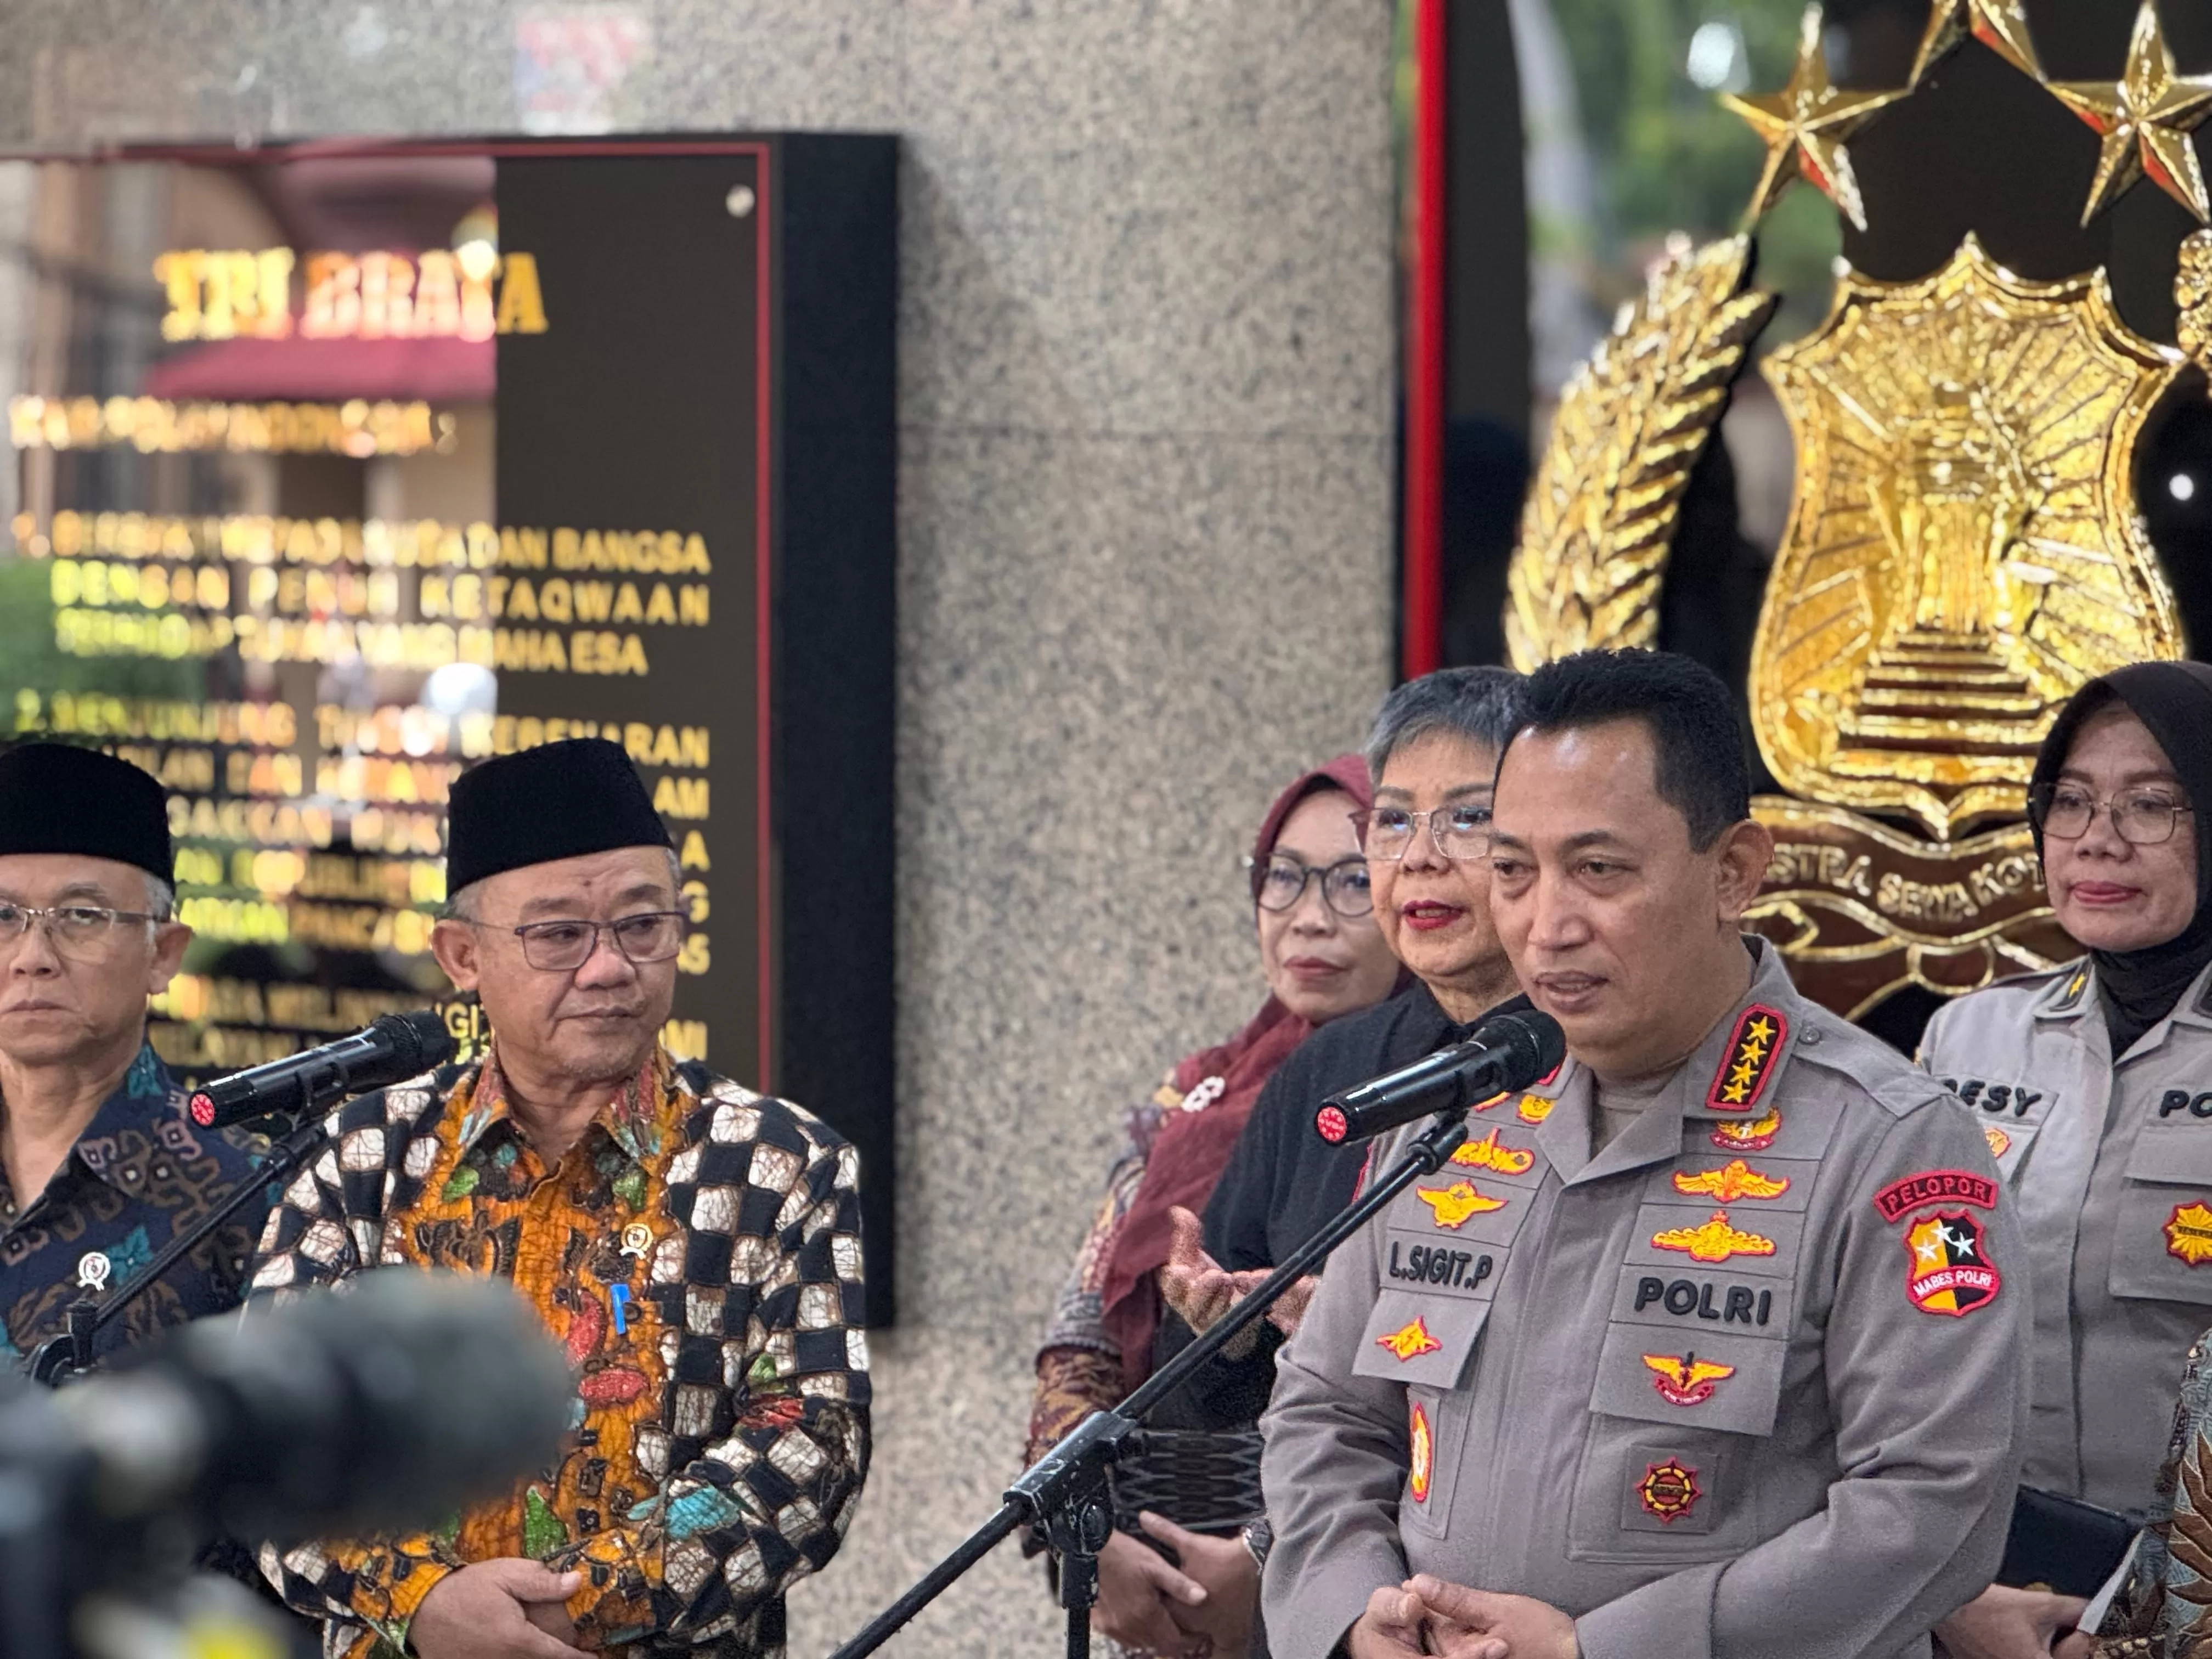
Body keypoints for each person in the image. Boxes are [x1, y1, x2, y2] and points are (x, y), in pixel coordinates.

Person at [1262, 647, 2029, 1659]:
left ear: (1733, 872)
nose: (1546, 923)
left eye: (1598, 869)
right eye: (1512, 871)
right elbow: (1327, 1409)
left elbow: (1934, 1501)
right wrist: (1355, 1611)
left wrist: (1607, 1646)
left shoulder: (1886, 1140)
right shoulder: (1457, 1114)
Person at [252, 738, 867, 1659]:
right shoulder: (364, 1156)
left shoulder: (778, 1164)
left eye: (641, 924)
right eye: (558, 934)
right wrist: (423, 1601)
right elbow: (270, 1432)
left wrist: (568, 1603)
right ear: (461, 954)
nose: (610, 966)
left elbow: (809, 1445)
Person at [1146, 667, 1547, 1649]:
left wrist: (1378, 1325)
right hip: (1343, 1599)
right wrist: (1225, 1326)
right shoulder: (1331, 1067)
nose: (1417, 858)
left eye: (1463, 819)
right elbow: (1197, 1404)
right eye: (1394, 821)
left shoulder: (1596, 1051)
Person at [1026, 754, 1401, 1659]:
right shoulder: (1195, 1096)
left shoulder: (1442, 1102)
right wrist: (1083, 1533)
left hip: (1352, 1595)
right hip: (1145, 1588)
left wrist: (1266, 1560)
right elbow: (1080, 1336)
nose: (1308, 915)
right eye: (1283, 874)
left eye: (1352, 879)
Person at [1921, 662, 2212, 1659]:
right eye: (2072, 801)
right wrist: (1946, 1594)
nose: (2098, 837)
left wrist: (2147, 1630)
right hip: (1983, 1593)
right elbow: (1891, 1338)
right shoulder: (1966, 1041)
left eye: (2151, 803)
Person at [0, 742, 266, 1362]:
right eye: (3, 916)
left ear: (163, 952)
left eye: (82, 915)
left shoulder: (246, 1190)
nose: (31, 956)